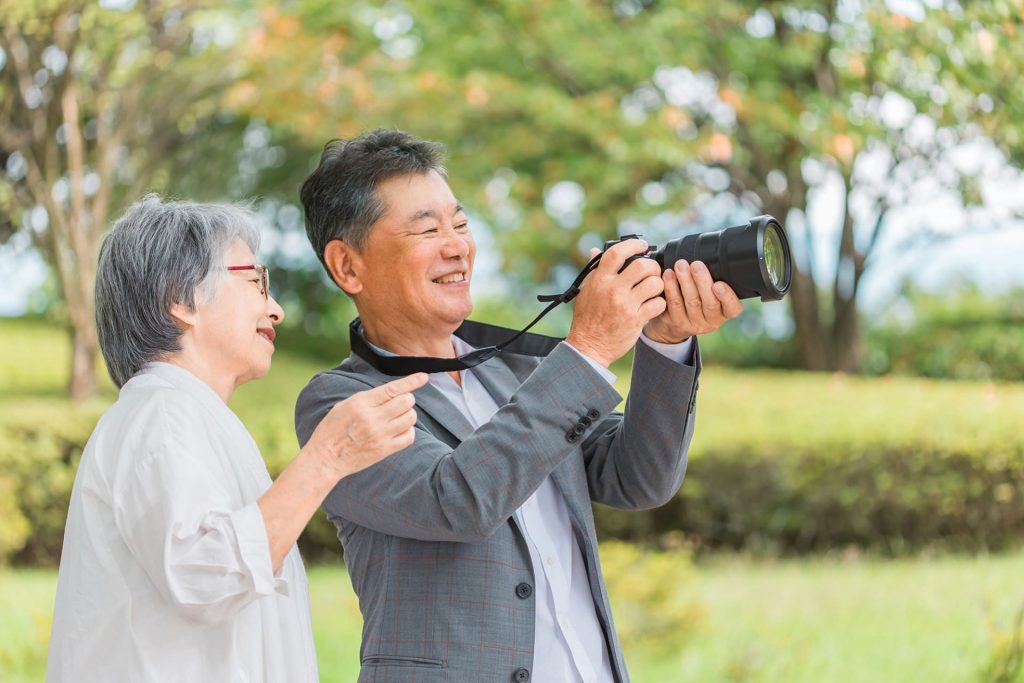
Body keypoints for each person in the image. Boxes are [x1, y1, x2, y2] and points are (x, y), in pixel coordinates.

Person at [294, 129, 742, 683]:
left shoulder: (520, 371)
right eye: (427, 229)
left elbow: (640, 479)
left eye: (460, 223)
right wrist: (590, 348)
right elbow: (455, 500)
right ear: (347, 266)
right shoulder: (340, 404)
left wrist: (665, 340)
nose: (457, 246)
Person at [46, 196, 427, 682]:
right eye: (256, 281)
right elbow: (205, 575)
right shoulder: (162, 415)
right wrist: (328, 456)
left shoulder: (186, 416)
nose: (277, 309)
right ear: (179, 299)